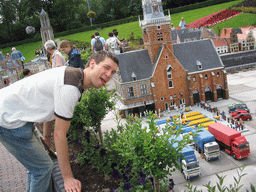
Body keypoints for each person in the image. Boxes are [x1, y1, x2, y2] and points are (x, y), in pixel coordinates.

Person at [0, 50, 119, 192]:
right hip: (9, 119)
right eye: (106, 68)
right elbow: (60, 135)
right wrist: (68, 178)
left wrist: (46, 138)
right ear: (92, 63)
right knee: (42, 169)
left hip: (12, 113)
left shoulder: (73, 76)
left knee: (37, 167)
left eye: (113, 72)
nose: (109, 75)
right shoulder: (70, 87)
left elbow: (51, 108)